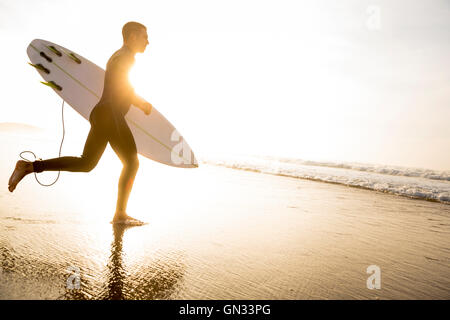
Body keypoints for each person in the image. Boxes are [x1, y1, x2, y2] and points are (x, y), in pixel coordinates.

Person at [8, 21, 152, 225]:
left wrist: (136, 102)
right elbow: (122, 85)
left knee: (86, 163)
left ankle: (28, 166)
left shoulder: (118, 56)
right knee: (132, 163)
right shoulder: (126, 57)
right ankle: (120, 214)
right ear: (131, 37)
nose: (148, 41)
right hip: (110, 114)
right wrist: (139, 103)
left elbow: (119, 84)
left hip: (102, 114)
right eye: (144, 36)